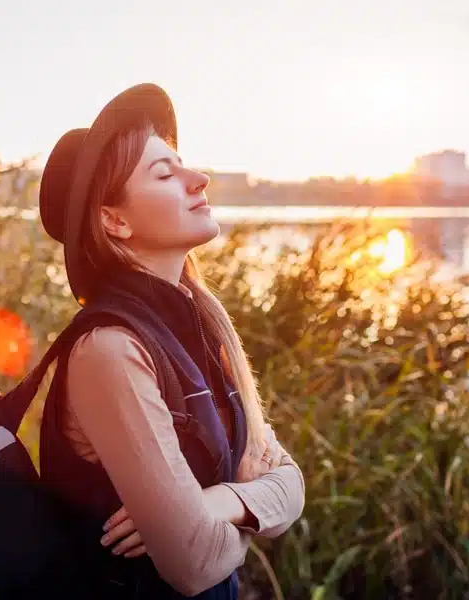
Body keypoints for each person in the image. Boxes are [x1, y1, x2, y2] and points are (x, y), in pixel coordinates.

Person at [35, 83, 306, 598]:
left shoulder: (198, 328)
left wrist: (215, 503)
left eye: (182, 163)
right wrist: (243, 509)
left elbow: (292, 484)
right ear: (114, 220)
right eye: (164, 173)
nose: (199, 178)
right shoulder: (111, 350)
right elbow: (196, 563)